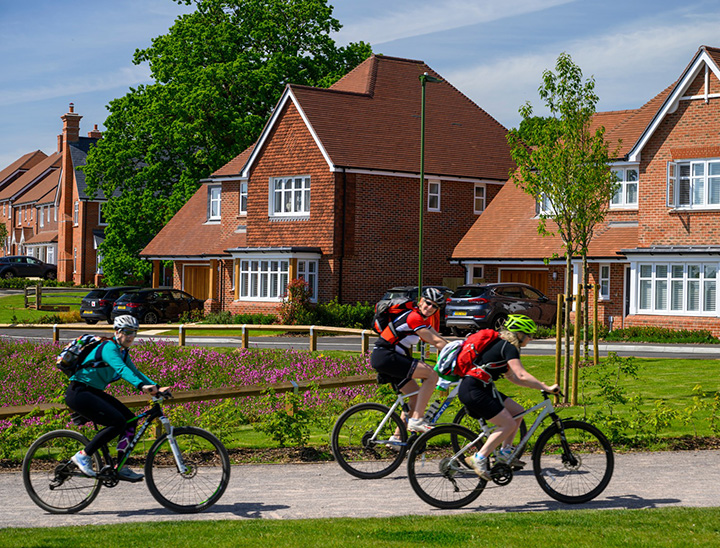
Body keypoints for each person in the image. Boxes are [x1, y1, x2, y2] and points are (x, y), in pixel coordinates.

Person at [65, 315, 172, 481]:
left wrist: (156, 387)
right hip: (79, 392)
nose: (131, 336)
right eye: (127, 332)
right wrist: (141, 387)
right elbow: (122, 370)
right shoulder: (109, 347)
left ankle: (120, 466)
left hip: (92, 392)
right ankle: (83, 455)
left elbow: (136, 372)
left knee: (130, 420)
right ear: (117, 331)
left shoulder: (122, 352)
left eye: (134, 332)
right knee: (117, 422)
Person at [458, 314, 559, 480]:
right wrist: (545, 387)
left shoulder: (501, 346)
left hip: (480, 387)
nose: (531, 339)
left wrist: (538, 386)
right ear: (519, 334)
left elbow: (513, 377)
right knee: (508, 424)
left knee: (518, 412)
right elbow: (521, 373)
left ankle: (505, 453)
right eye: (530, 335)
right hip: (474, 390)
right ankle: (479, 458)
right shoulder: (508, 347)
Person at [370, 287, 448, 434]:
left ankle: (397, 439)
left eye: (435, 306)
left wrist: (462, 347)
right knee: (431, 375)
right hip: (386, 357)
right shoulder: (413, 317)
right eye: (427, 303)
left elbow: (440, 339)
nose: (430, 307)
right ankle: (417, 419)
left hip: (389, 357)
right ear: (420, 301)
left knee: (415, 397)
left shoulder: (423, 320)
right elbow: (436, 342)